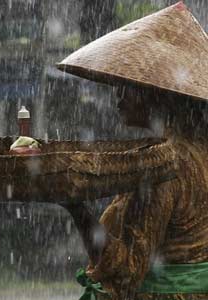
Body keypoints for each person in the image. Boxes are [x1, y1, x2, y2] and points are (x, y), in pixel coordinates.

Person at [57, 2, 208, 299]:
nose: (117, 97)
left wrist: (75, 207)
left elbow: (126, 272)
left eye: (128, 86)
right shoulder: (198, 150)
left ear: (156, 95)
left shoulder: (163, 164)